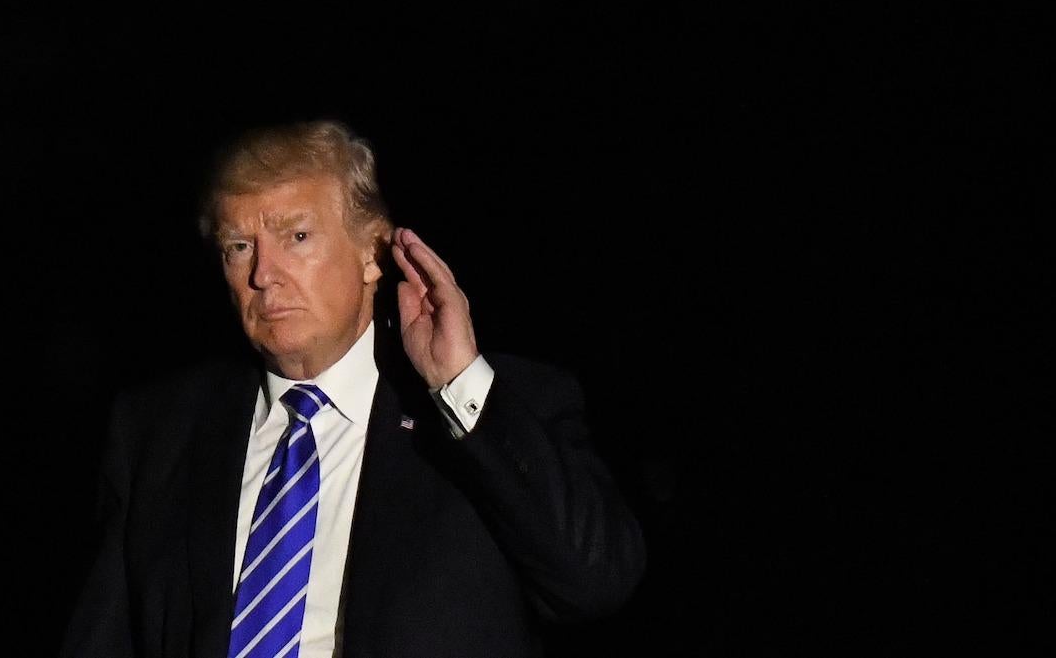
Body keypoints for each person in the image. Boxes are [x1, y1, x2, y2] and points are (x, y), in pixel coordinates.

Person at [60, 120, 644, 657]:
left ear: (373, 253)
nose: (264, 275)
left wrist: (459, 385)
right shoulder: (160, 430)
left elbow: (596, 583)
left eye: (297, 236)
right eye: (240, 247)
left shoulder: (486, 409)